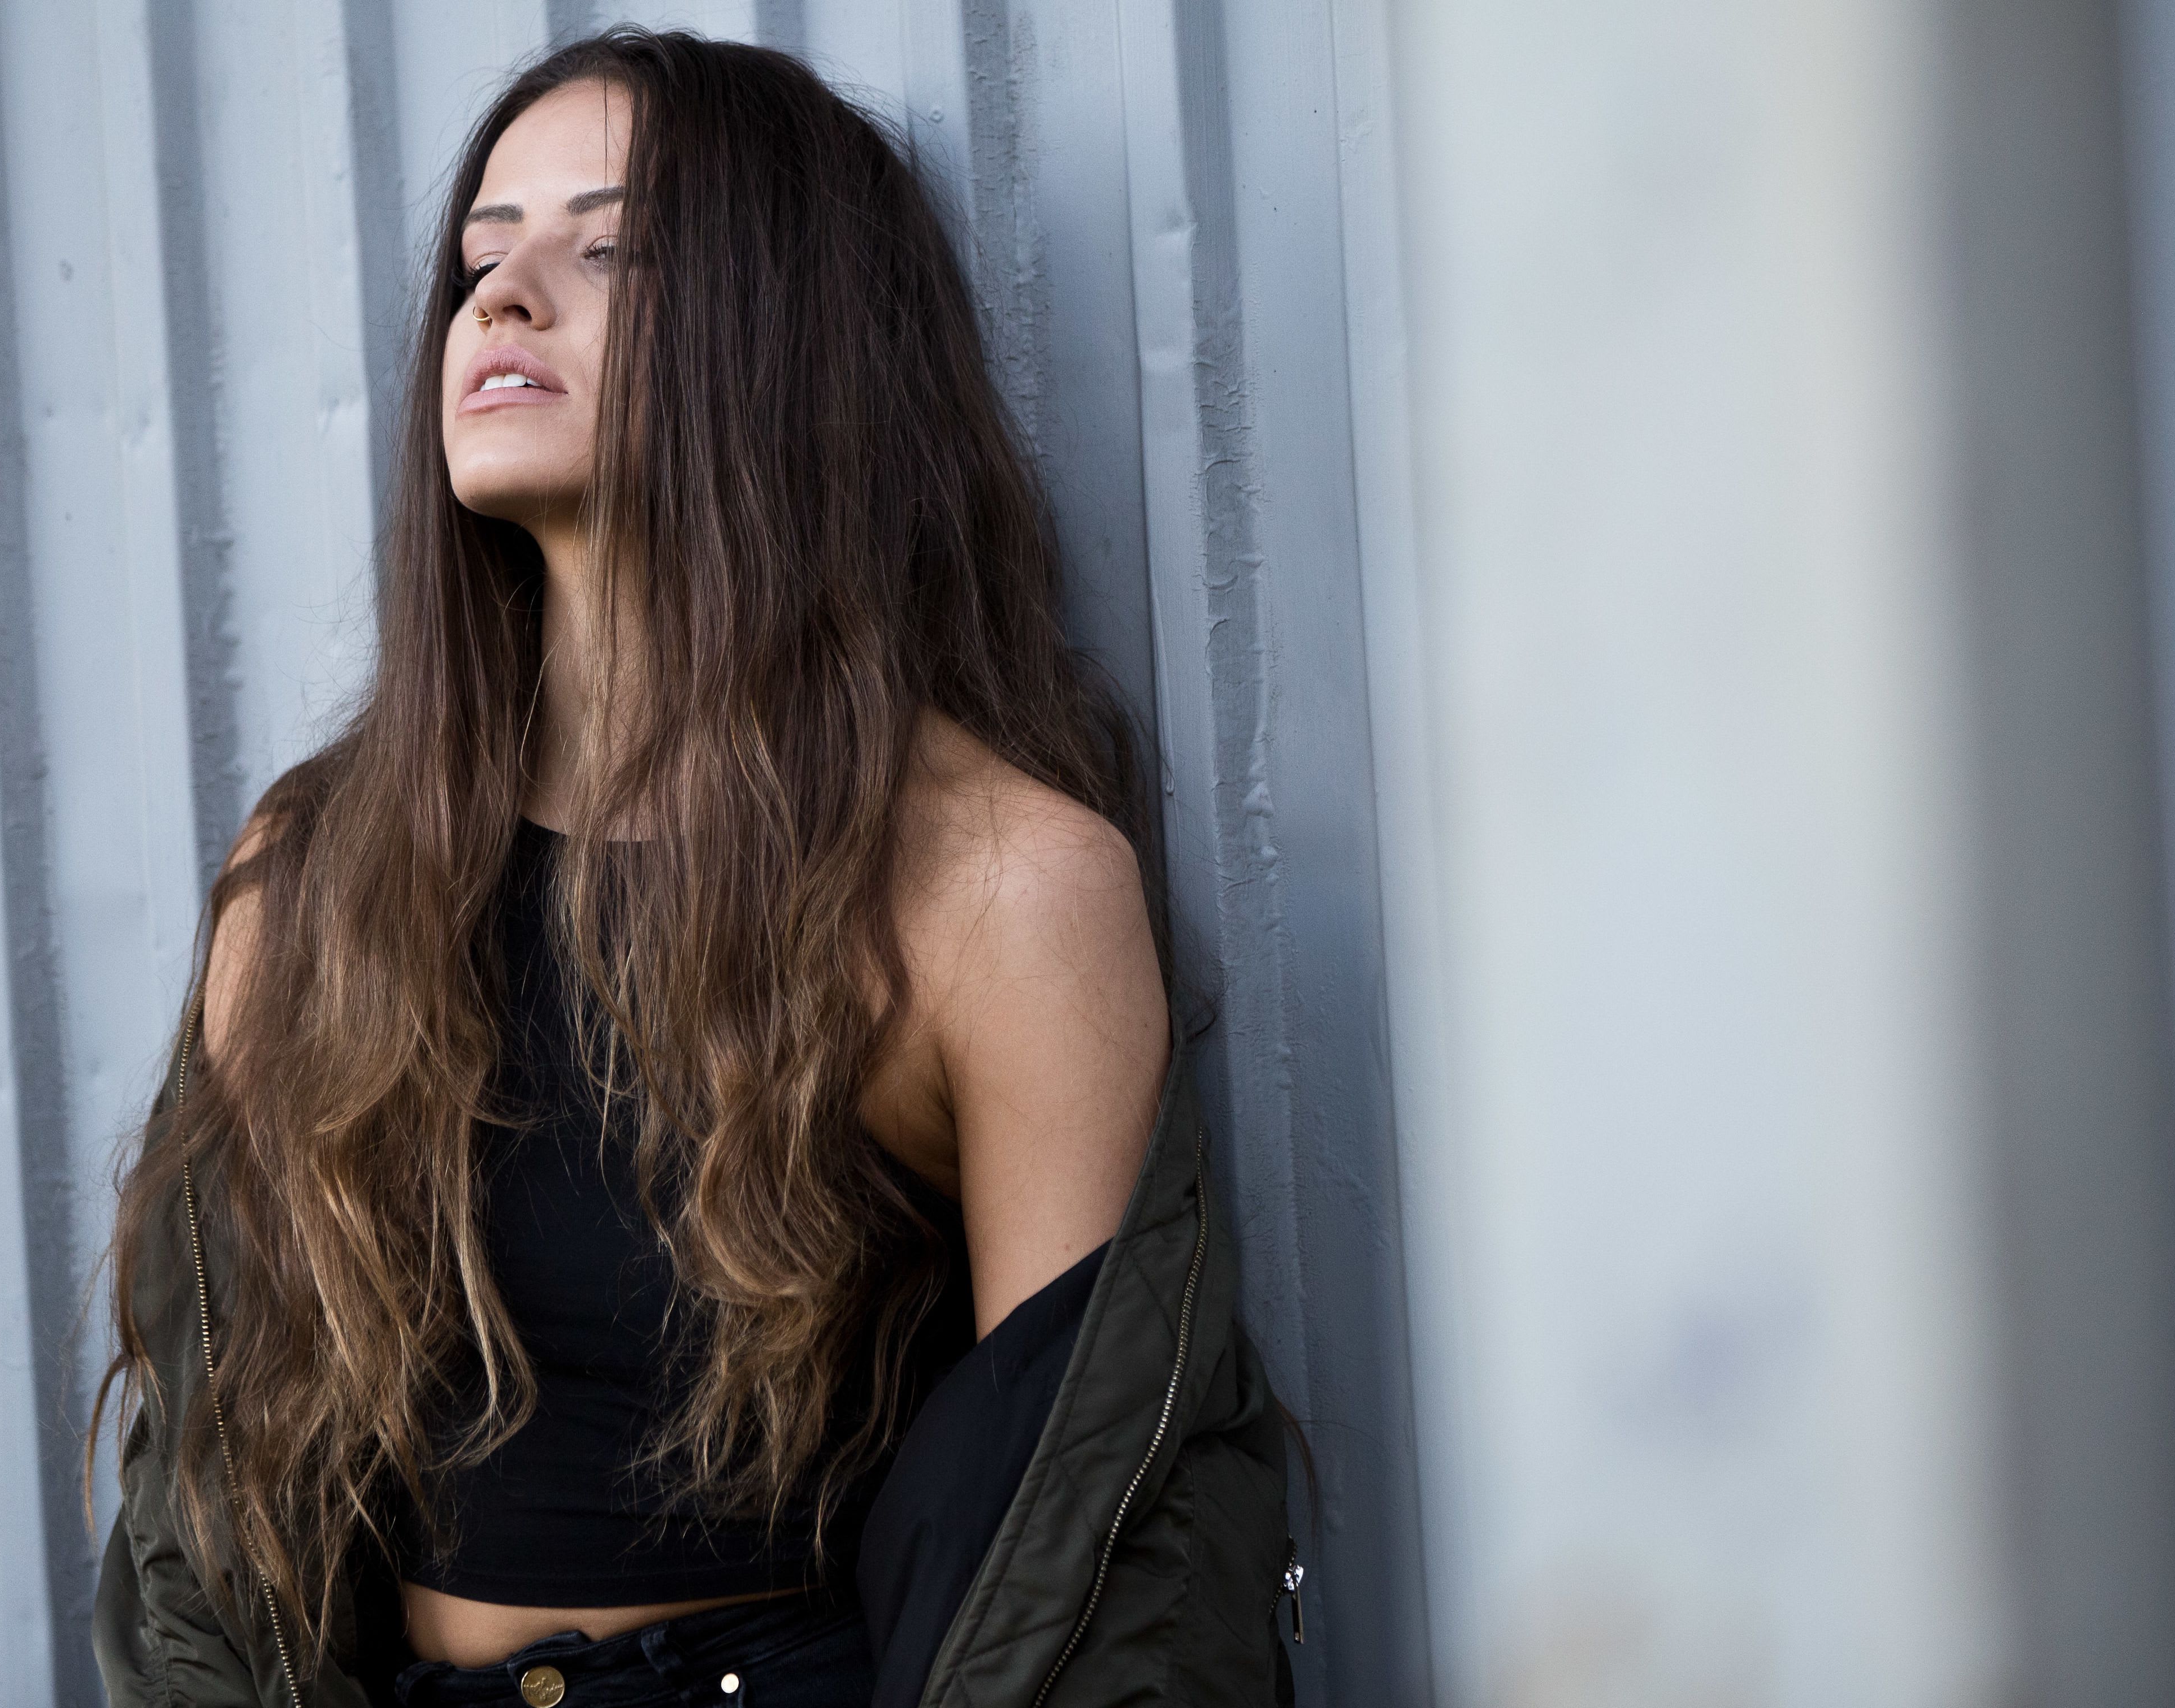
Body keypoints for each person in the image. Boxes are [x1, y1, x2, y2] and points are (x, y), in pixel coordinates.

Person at [89, 28, 1293, 1708]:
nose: (504, 300)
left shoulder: (998, 887)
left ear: (790, 335)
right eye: (483, 257)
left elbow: (1079, 1547)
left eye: (611, 250)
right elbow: (208, 1508)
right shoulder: (314, 875)